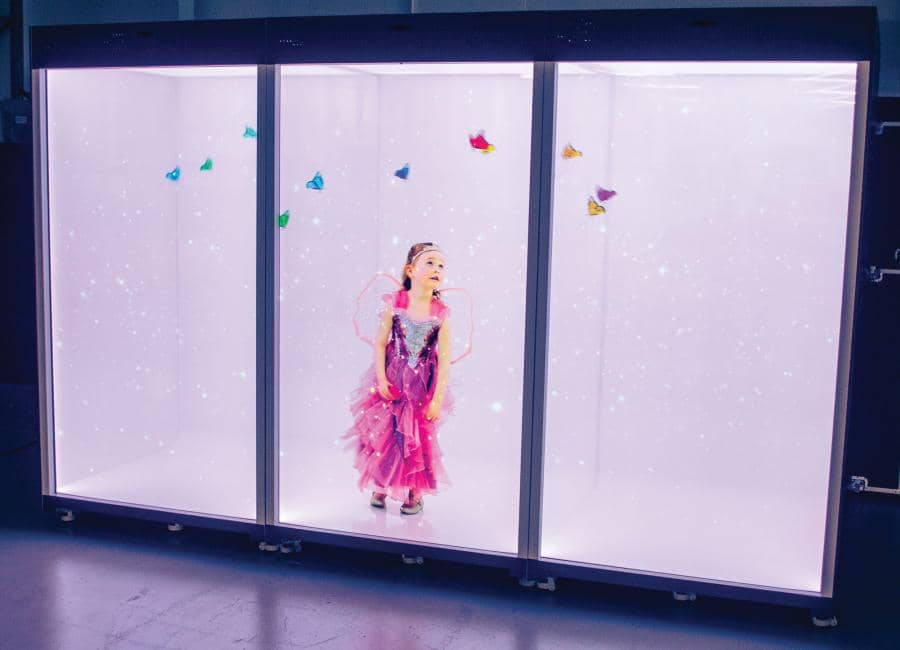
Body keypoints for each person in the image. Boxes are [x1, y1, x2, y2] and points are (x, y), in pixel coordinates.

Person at [344, 242, 453, 514]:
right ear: (410, 269)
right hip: (394, 375)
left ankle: (414, 492)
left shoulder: (441, 312)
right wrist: (381, 380)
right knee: (386, 432)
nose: (436, 269)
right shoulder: (395, 302)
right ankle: (380, 486)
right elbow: (381, 343)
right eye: (430, 262)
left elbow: (444, 358)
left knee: (417, 436)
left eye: (441, 265)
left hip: (422, 384)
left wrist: (437, 398)